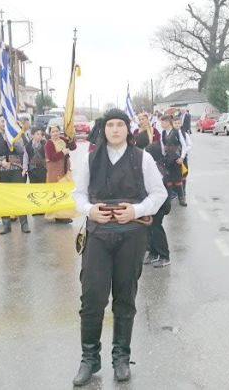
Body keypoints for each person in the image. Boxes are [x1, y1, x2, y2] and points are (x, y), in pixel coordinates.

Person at [71, 109, 167, 386]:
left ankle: (121, 358)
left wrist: (136, 210)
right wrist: (90, 210)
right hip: (99, 234)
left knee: (125, 298)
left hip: (131, 235)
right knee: (92, 299)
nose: (115, 129)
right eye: (110, 125)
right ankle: (89, 359)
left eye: (120, 125)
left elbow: (159, 193)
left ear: (128, 129)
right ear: (104, 129)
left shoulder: (142, 158)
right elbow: (77, 194)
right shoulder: (90, 159)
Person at [0, 116, 30, 234]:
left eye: (6, 121)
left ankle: (24, 224)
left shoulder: (16, 135)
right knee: (3, 198)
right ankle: (6, 226)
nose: (4, 123)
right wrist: (1, 163)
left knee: (19, 197)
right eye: (2, 121)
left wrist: (13, 142)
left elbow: (22, 150)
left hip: (16, 169)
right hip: (1, 171)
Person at [143, 142, 173, 268]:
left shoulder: (158, 169)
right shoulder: (153, 166)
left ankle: (164, 256)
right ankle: (153, 253)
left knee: (156, 229)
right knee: (149, 230)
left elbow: (160, 192)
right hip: (151, 206)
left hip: (159, 206)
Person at [45, 125, 80, 224]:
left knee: (65, 193)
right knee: (56, 195)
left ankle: (64, 215)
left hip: (65, 170)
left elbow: (73, 147)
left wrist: (71, 138)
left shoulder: (63, 139)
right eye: (53, 132)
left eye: (57, 131)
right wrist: (62, 152)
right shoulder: (49, 144)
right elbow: (51, 157)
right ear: (50, 133)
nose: (55, 133)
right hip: (55, 172)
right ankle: (58, 216)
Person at [160, 114, 188, 207]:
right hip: (167, 159)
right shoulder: (163, 133)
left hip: (176, 158)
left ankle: (181, 198)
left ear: (168, 122)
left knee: (178, 179)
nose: (161, 124)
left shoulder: (176, 131)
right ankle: (168, 198)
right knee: (168, 179)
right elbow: (163, 147)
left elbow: (184, 145)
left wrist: (182, 157)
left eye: (163, 122)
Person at [173, 116, 192, 198]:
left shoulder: (185, 134)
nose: (177, 125)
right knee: (174, 176)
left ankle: (183, 191)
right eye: (175, 123)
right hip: (174, 159)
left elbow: (189, 145)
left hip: (183, 158)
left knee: (183, 174)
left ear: (181, 124)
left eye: (178, 123)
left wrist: (182, 155)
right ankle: (175, 192)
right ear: (172, 124)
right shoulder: (171, 134)